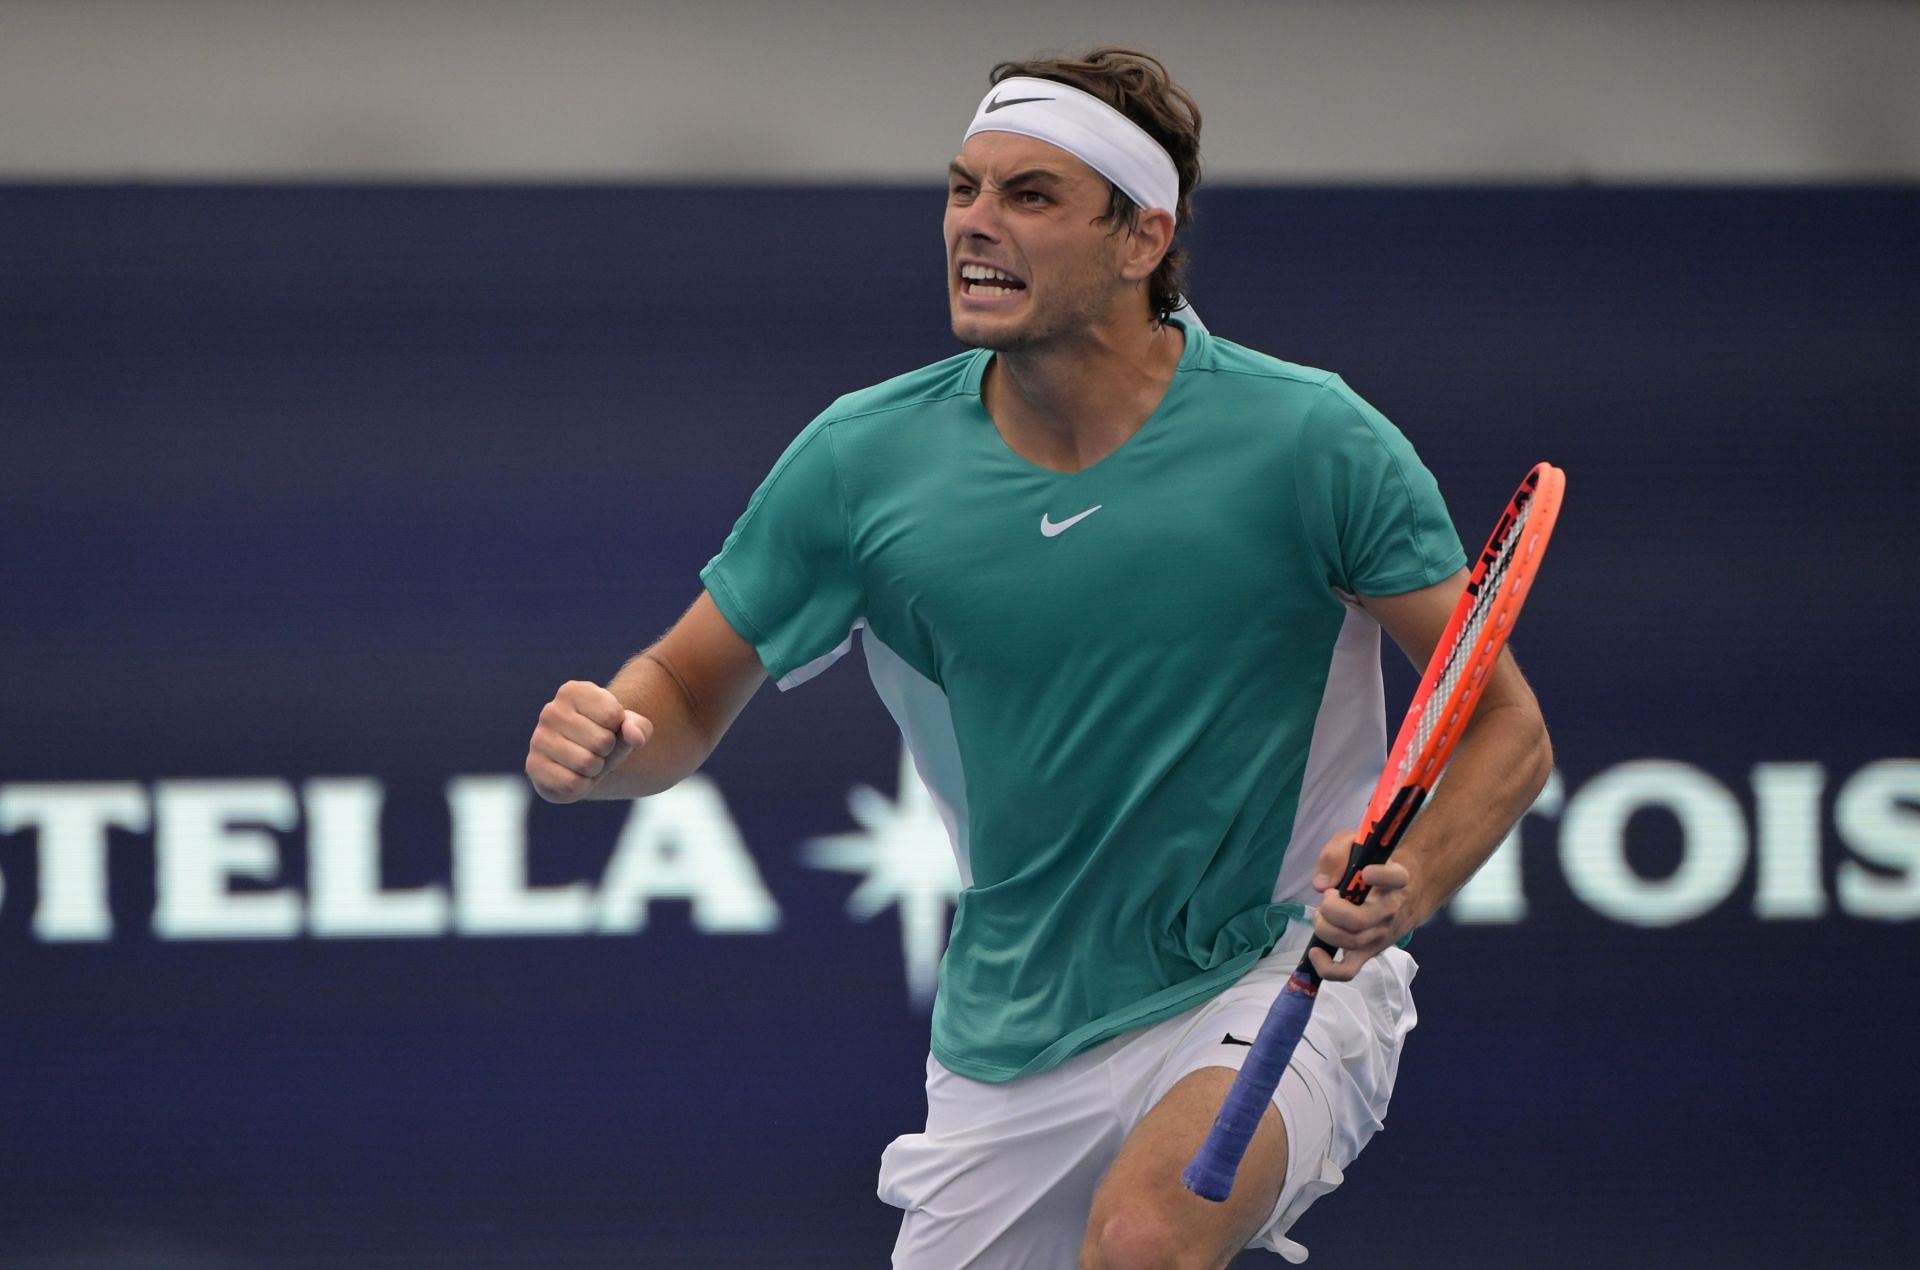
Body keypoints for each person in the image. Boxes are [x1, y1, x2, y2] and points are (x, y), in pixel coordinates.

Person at [525, 47, 1551, 1270]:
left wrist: (1411, 878)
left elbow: (1505, 726)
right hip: (1009, 1035)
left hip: (1267, 969)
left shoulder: (1310, 439)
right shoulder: (864, 461)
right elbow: (687, 685)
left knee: (1142, 1239)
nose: (975, 224)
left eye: (1029, 196)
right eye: (962, 189)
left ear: (1140, 238)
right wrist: (613, 739)